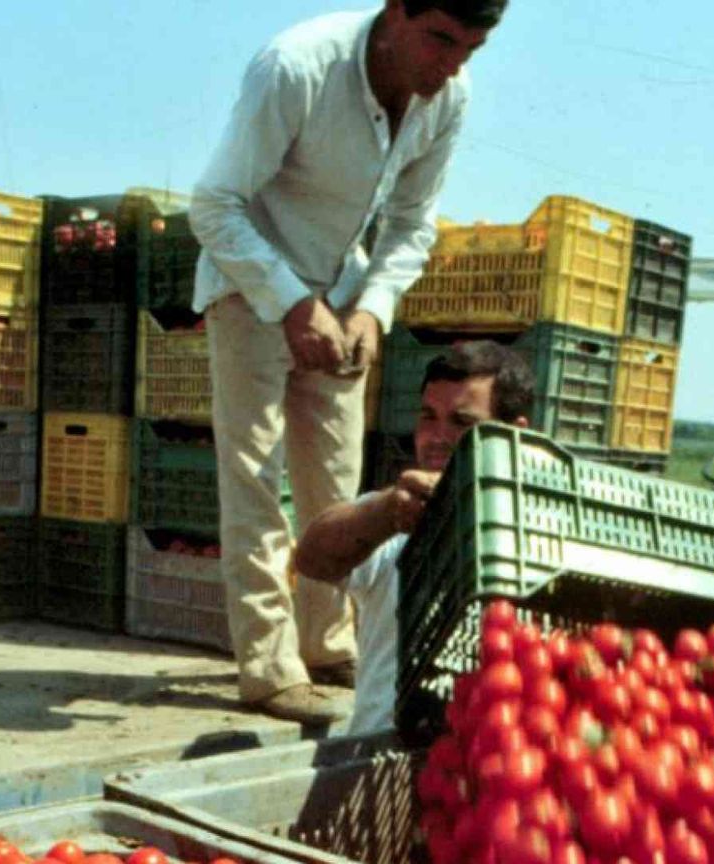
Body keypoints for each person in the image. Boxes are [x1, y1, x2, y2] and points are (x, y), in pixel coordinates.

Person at [189, 0, 507, 724]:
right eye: (440, 40)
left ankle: (326, 642)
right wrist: (291, 302)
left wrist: (371, 309)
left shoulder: (446, 95)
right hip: (250, 285)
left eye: (472, 48)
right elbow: (213, 205)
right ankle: (268, 670)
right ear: (397, 12)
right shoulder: (297, 67)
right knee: (256, 478)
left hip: (343, 293)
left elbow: (413, 221)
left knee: (334, 476)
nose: (452, 63)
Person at [292, 341, 536, 734]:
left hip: (488, 760)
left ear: (515, 435)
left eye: (462, 422)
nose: (437, 437)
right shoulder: (395, 513)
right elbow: (313, 558)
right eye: (428, 416)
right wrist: (387, 512)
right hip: (378, 758)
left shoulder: (538, 534)